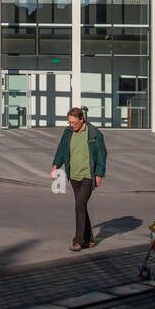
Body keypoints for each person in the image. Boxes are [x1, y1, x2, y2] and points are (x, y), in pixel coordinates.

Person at [50, 107, 107, 251]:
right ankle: (90, 239)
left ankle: (78, 241)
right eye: (70, 122)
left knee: (79, 205)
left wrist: (99, 174)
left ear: (82, 120)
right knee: (81, 206)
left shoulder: (94, 134)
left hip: (88, 176)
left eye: (74, 122)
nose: (71, 125)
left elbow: (102, 155)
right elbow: (62, 150)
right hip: (74, 175)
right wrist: (56, 166)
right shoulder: (68, 133)